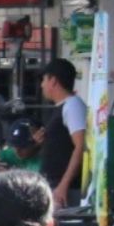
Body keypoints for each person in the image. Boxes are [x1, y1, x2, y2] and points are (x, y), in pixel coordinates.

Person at [37, 58, 87, 208]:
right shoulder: (61, 108)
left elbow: (80, 146)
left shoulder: (72, 105)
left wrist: (64, 185)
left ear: (53, 81)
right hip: (53, 186)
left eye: (44, 79)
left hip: (65, 191)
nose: (42, 85)